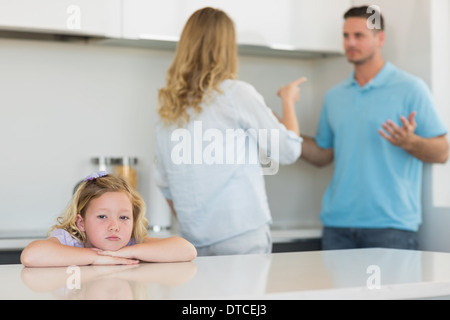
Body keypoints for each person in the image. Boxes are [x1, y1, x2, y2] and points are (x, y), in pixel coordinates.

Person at [154, 7, 305, 256]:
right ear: (226, 47)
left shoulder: (169, 105)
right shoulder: (236, 94)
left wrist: (196, 222)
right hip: (241, 236)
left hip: (192, 242)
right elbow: (289, 151)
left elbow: (164, 182)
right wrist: (288, 101)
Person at [300, 6, 449, 250]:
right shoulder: (334, 96)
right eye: (346, 36)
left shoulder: (410, 88)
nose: (350, 42)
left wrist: (411, 142)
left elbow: (442, 152)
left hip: (391, 228)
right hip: (338, 227)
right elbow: (323, 154)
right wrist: (283, 135)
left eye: (359, 35)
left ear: (380, 38)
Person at [20, 171, 197, 267]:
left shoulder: (129, 243)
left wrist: (129, 252)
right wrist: (95, 257)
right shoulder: (69, 241)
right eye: (102, 216)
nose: (114, 226)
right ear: (81, 223)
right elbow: (31, 256)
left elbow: (187, 250)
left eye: (124, 217)